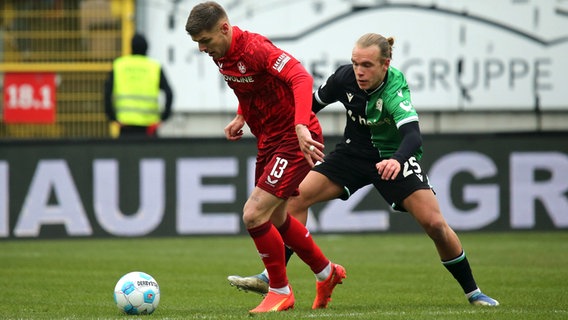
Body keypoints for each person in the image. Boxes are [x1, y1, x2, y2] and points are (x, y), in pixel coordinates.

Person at [228, 33, 500, 307]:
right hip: (351, 154)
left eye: (367, 65)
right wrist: (251, 115)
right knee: (295, 197)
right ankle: (272, 277)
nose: (359, 71)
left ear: (386, 64)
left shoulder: (395, 91)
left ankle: (473, 292)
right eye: (355, 63)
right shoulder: (344, 78)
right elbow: (309, 105)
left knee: (435, 224)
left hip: (392, 159)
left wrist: (397, 159)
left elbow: (413, 136)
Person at [185, 1, 346, 314]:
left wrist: (301, 123)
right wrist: (241, 116)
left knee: (253, 214)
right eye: (197, 43)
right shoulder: (221, 54)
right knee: (276, 217)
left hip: (295, 139)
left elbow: (301, 77)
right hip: (269, 141)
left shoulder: (255, 49)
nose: (202, 48)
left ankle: (280, 290)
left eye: (205, 41)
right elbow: (251, 89)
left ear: (224, 28)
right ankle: (326, 273)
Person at [104, 33, 173, 138]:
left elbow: (107, 93)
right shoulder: (154, 67)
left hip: (125, 126)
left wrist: (112, 117)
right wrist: (163, 118)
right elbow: (169, 93)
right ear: (147, 48)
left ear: (131, 47)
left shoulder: (119, 65)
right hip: (149, 128)